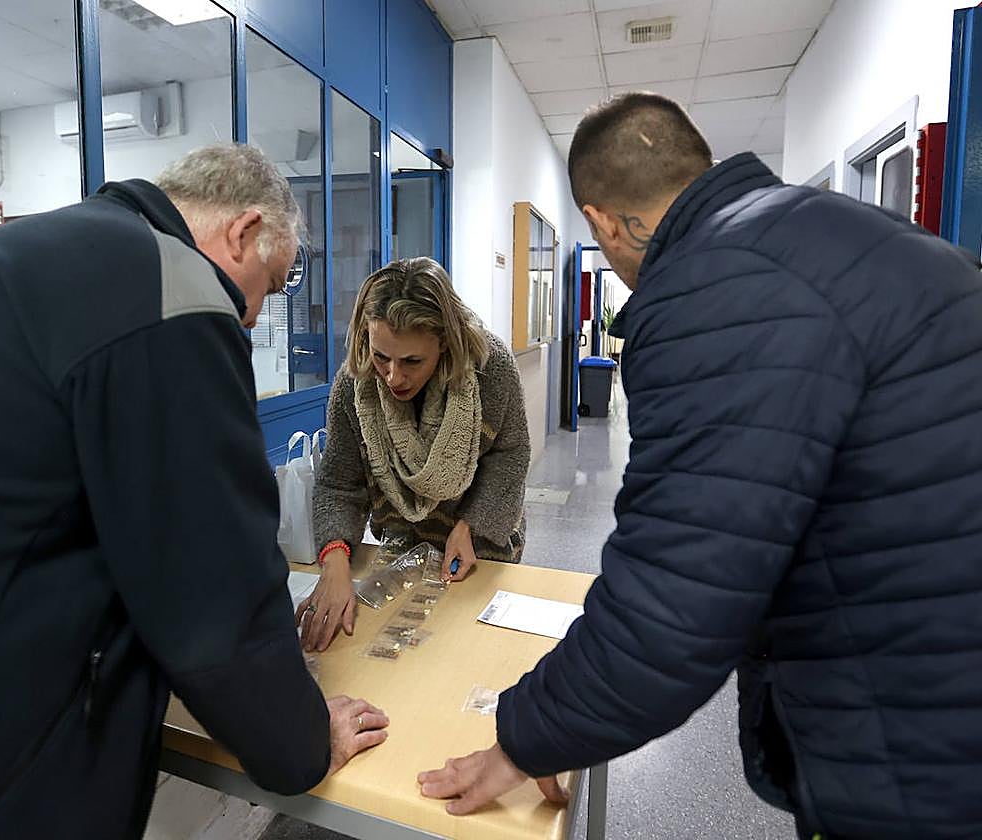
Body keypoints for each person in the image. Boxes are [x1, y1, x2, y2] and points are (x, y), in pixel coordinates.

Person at [0, 143, 388, 838]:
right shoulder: (174, 292)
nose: (252, 319)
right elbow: (216, 588)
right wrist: (304, 740)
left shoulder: (53, 250)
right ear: (244, 233)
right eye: (270, 286)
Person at [419, 93, 982, 839]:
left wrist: (524, 739)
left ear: (602, 223)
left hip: (928, 736)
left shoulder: (718, 294)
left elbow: (671, 603)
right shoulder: (843, 232)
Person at [296, 257, 531, 652]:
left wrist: (471, 526)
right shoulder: (355, 385)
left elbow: (511, 455)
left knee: (465, 660)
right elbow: (338, 482)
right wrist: (334, 564)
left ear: (444, 342)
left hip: (479, 555)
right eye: (381, 356)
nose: (392, 377)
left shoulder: (491, 369)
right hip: (401, 550)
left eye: (411, 361)